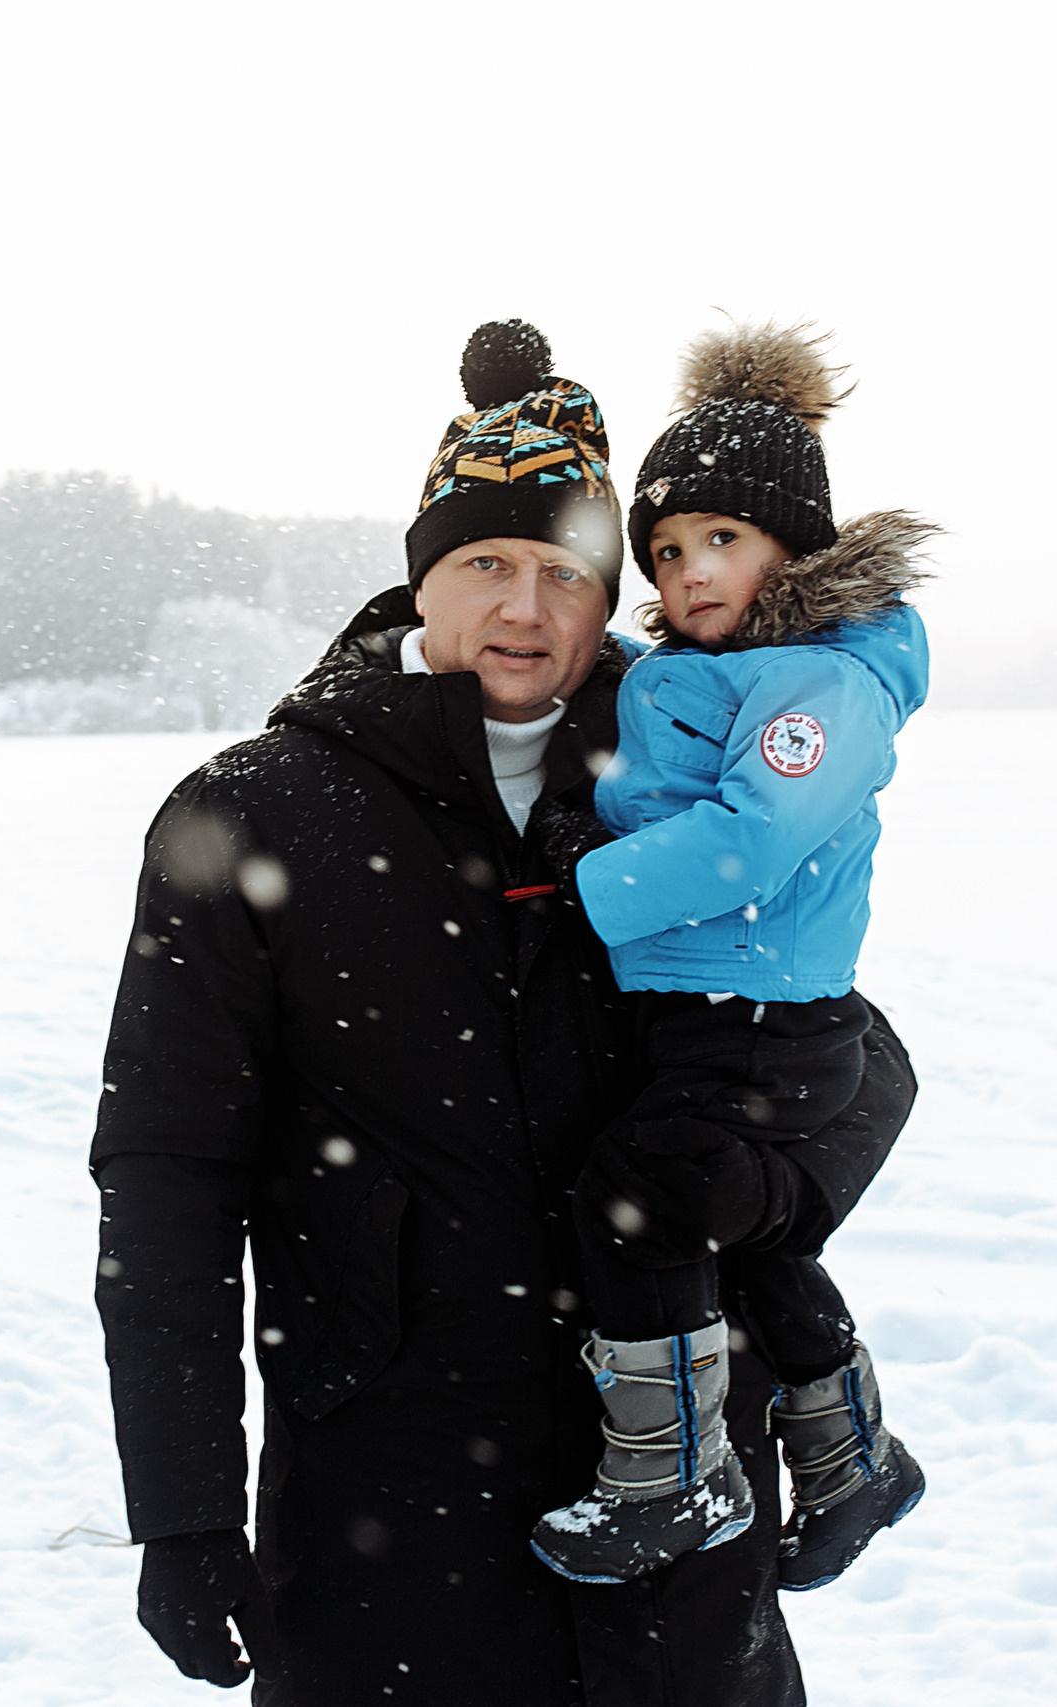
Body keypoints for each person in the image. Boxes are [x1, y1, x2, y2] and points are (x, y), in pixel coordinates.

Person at [90, 320, 917, 1706]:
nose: (525, 610)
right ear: (423, 576)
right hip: (390, 1518)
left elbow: (854, 1059)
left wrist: (767, 1254)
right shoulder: (252, 812)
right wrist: (180, 1509)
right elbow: (168, 1174)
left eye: (568, 573)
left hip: (671, 1508)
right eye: (486, 564)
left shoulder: (679, 769)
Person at [527, 324, 937, 1594]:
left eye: (722, 541)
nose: (689, 572)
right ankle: (848, 1456)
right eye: (665, 550)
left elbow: (749, 840)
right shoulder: (712, 667)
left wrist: (578, 882)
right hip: (699, 1010)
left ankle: (673, 1479)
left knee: (635, 1198)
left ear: (791, 547)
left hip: (760, 1013)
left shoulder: (825, 682)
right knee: (750, 1243)